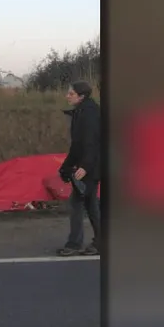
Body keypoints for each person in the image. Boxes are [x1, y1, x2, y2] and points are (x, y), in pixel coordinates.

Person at [57, 80, 101, 256]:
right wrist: (66, 166)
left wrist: (85, 166)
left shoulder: (90, 115)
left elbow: (92, 143)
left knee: (76, 203)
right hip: (90, 165)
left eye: (71, 93)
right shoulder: (81, 113)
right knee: (90, 204)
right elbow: (77, 146)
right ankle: (100, 242)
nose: (67, 96)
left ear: (81, 96)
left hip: (92, 166)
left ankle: (74, 244)